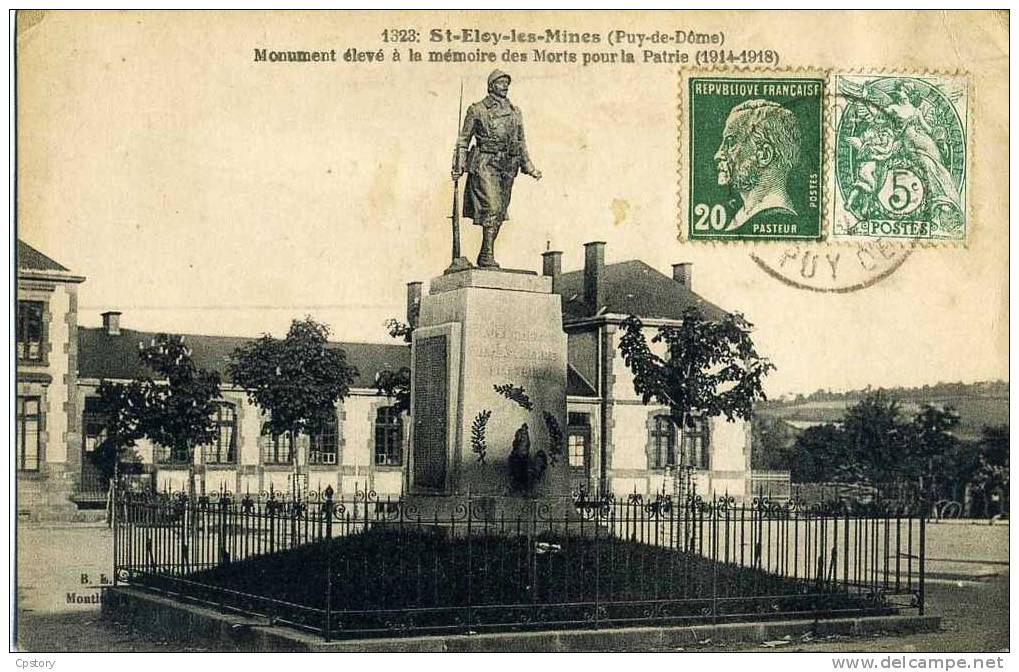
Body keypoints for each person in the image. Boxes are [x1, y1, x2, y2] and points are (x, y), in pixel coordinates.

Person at [452, 70, 542, 268]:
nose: (505, 86)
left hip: (508, 166)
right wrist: (458, 163)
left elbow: (521, 142)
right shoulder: (477, 109)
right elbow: (463, 140)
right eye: (500, 83)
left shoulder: (515, 111)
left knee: (500, 212)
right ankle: (487, 254)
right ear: (491, 86)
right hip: (485, 163)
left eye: (506, 83)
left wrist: (529, 166)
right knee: (491, 208)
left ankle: (485, 253)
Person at [713, 99, 802, 232]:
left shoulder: (775, 218)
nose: (718, 155)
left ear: (764, 155)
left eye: (731, 143)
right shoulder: (743, 217)